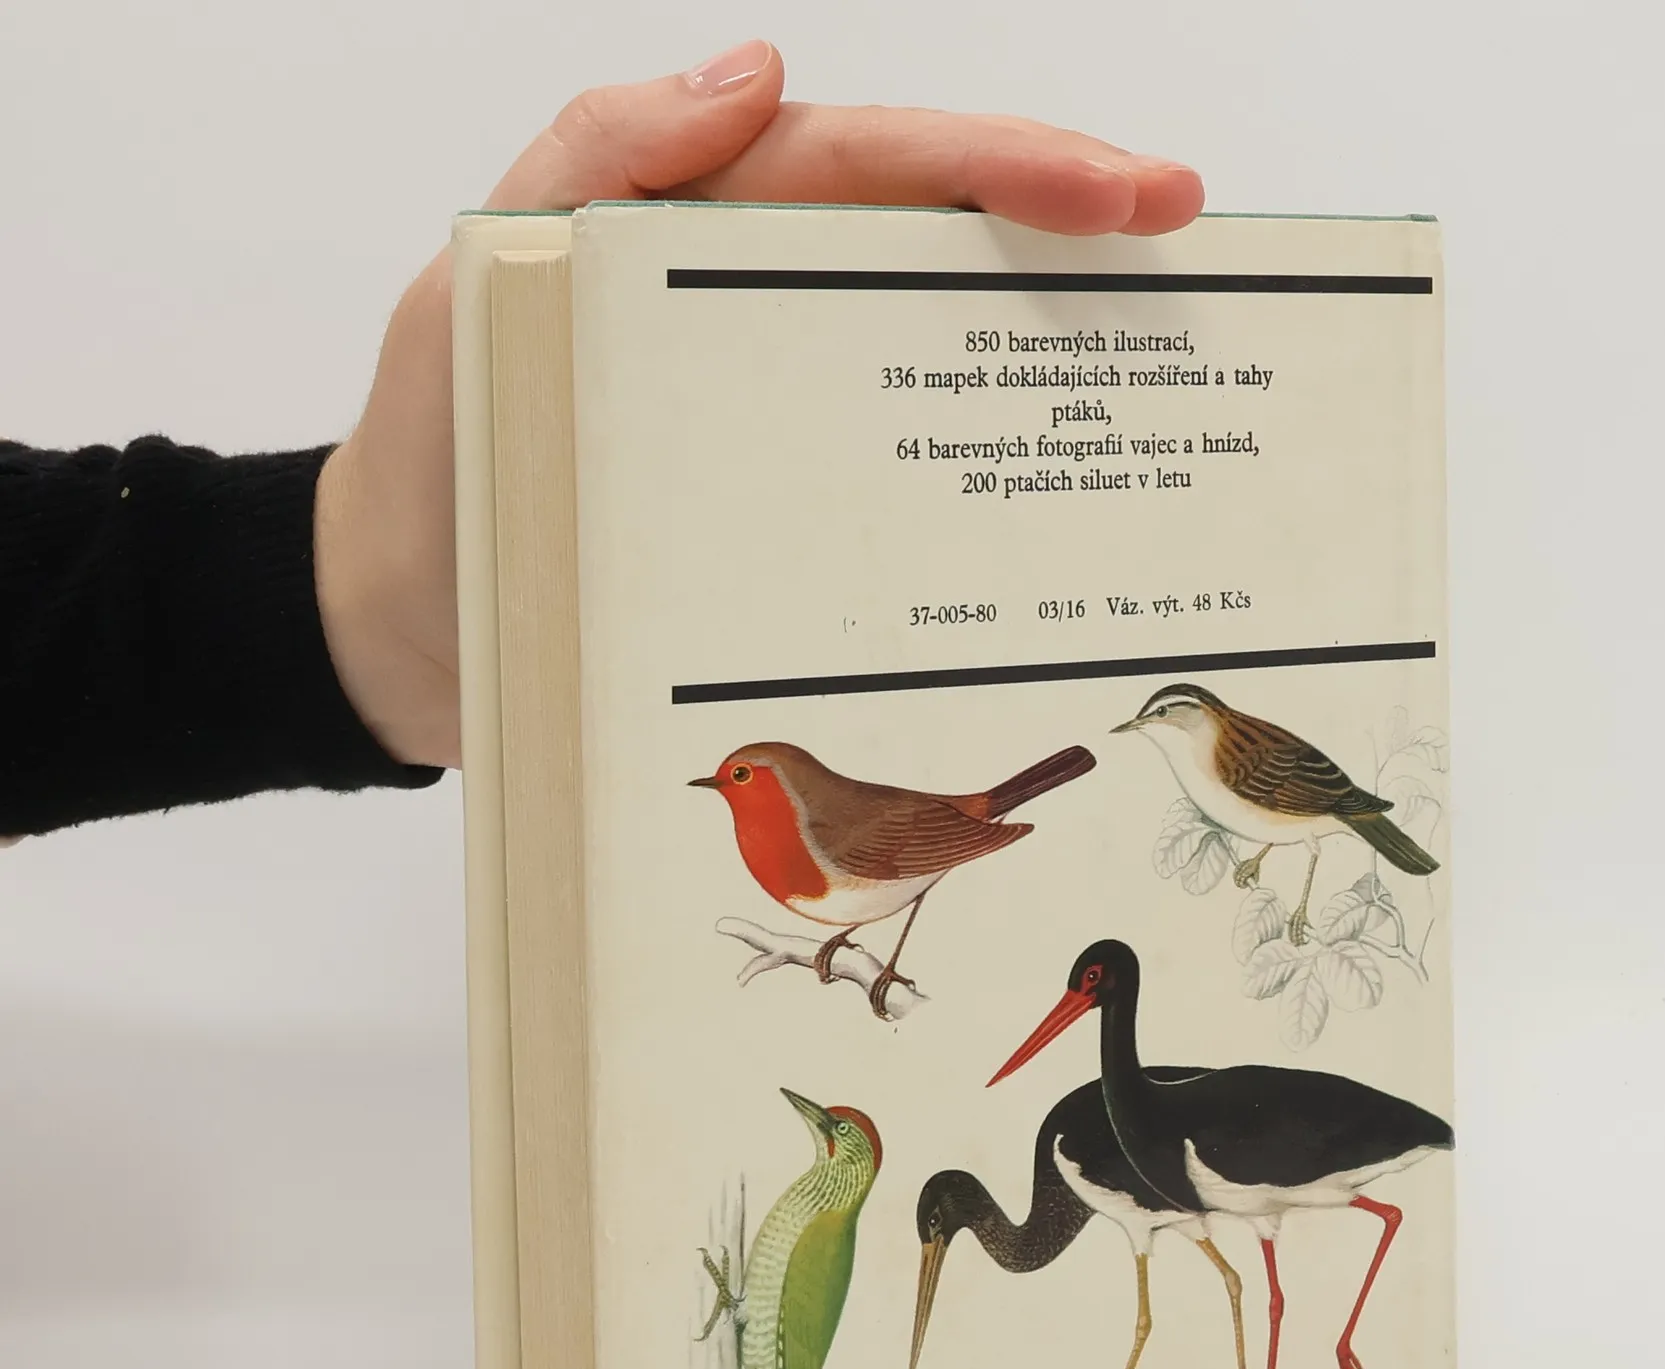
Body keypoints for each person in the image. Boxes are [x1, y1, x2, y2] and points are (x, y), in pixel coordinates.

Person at [0, 43, 1204, 842]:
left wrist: (357, 583)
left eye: (740, 778)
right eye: (740, 778)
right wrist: (355, 594)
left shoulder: (811, 833)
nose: (729, 785)